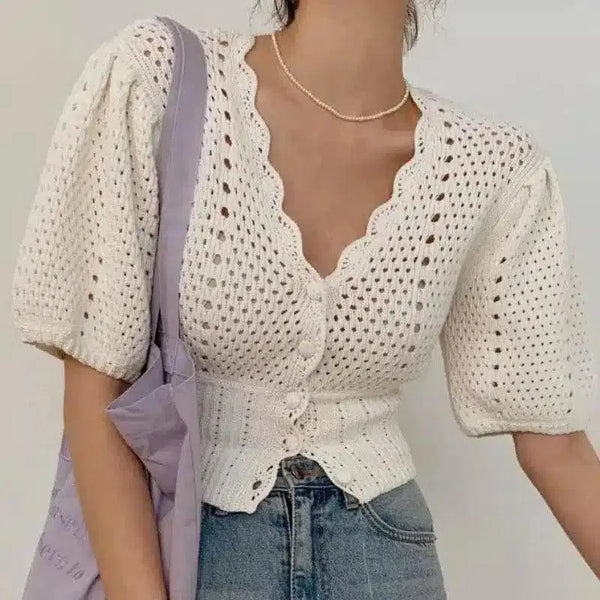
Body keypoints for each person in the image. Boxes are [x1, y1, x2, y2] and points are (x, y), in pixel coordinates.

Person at [11, 1, 600, 598]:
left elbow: (556, 444)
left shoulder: (492, 167)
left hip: (384, 558)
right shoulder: (158, 78)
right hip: (193, 548)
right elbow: (96, 388)